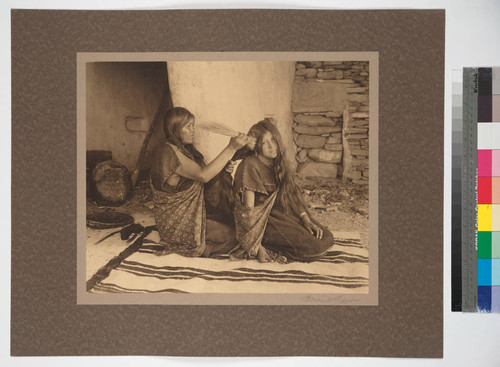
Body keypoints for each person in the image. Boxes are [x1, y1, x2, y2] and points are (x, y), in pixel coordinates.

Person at [150, 107, 253, 258]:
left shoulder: (185, 150)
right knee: (235, 237)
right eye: (188, 126)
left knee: (236, 229)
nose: (193, 130)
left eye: (193, 125)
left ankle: (202, 243)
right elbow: (203, 176)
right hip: (177, 223)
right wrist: (231, 148)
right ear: (175, 128)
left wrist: (223, 170)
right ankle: (200, 248)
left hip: (190, 216)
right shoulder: (168, 152)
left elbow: (206, 176)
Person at [232, 119, 334, 263]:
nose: (271, 146)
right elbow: (248, 212)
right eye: (264, 143)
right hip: (263, 221)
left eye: (273, 140)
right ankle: (269, 248)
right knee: (315, 249)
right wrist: (256, 246)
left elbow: (291, 195)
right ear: (256, 146)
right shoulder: (250, 164)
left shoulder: (278, 162)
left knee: (327, 237)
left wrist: (305, 220)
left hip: (283, 213)